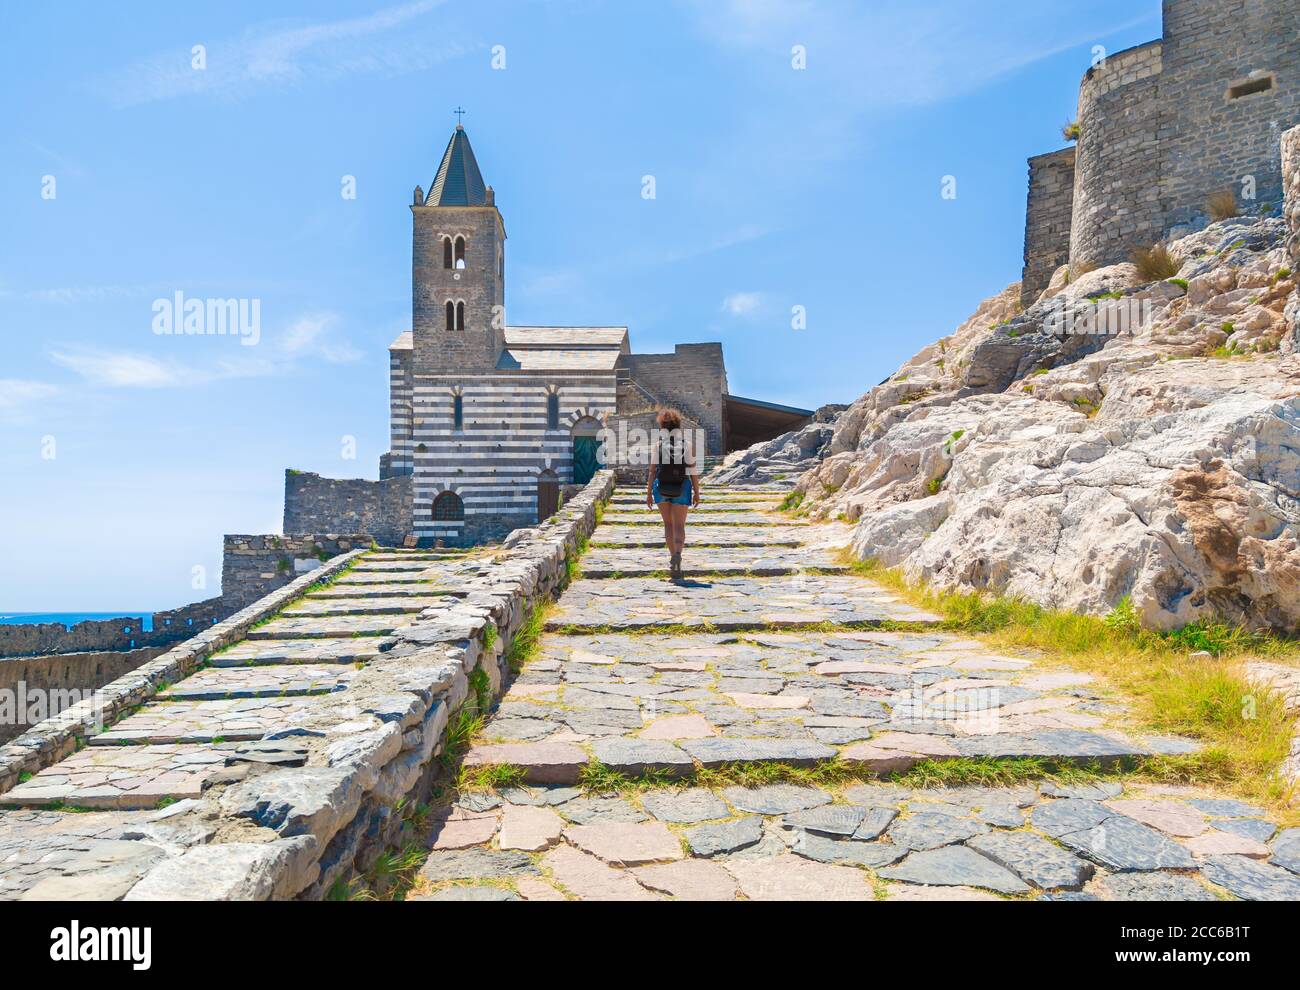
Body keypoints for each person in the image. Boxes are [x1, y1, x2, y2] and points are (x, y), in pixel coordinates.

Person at [645, 408, 701, 579]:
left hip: (661, 487)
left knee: (668, 525)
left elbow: (652, 471)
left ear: (662, 427)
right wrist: (697, 492)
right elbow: (692, 471)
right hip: (682, 486)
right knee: (679, 526)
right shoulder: (687, 445)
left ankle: (672, 557)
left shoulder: (658, 446)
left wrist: (648, 493)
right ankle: (678, 555)